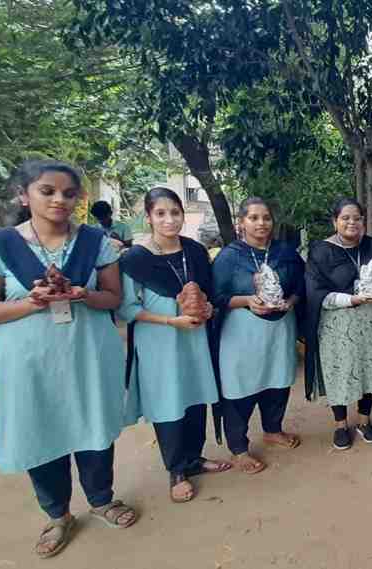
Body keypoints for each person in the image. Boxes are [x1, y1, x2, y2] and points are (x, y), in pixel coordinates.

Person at [0, 160, 137, 558]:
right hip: (29, 363)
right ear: (25, 196)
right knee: (40, 431)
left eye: (68, 193)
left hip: (88, 356)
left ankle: (101, 500)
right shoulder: (0, 244)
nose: (59, 199)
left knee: (94, 427)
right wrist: (30, 303)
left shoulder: (96, 242)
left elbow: (112, 298)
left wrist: (82, 295)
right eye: (47, 191)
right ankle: (57, 514)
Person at [118, 187, 231, 503]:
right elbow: (126, 308)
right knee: (168, 401)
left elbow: (209, 293)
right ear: (149, 217)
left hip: (195, 337)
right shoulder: (136, 259)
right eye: (161, 213)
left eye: (175, 212)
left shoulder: (194, 251)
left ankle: (194, 458)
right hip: (159, 341)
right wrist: (171, 321)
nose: (170, 220)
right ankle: (176, 469)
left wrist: (208, 309)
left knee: (195, 397)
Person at [212, 197, 304, 474]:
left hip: (279, 329)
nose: (261, 223)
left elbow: (301, 283)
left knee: (278, 380)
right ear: (241, 223)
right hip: (242, 333)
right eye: (253, 218)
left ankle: (273, 430)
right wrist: (246, 300)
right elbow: (215, 295)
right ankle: (239, 448)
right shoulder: (229, 256)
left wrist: (293, 301)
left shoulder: (285, 252)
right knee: (239, 386)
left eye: (266, 217)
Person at [304, 198, 372, 450]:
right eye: (346, 218)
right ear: (335, 221)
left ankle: (364, 420)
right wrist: (351, 299)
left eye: (357, 218)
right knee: (339, 372)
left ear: (363, 221)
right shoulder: (321, 251)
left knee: (369, 368)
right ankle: (340, 425)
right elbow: (315, 292)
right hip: (337, 323)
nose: (352, 222)